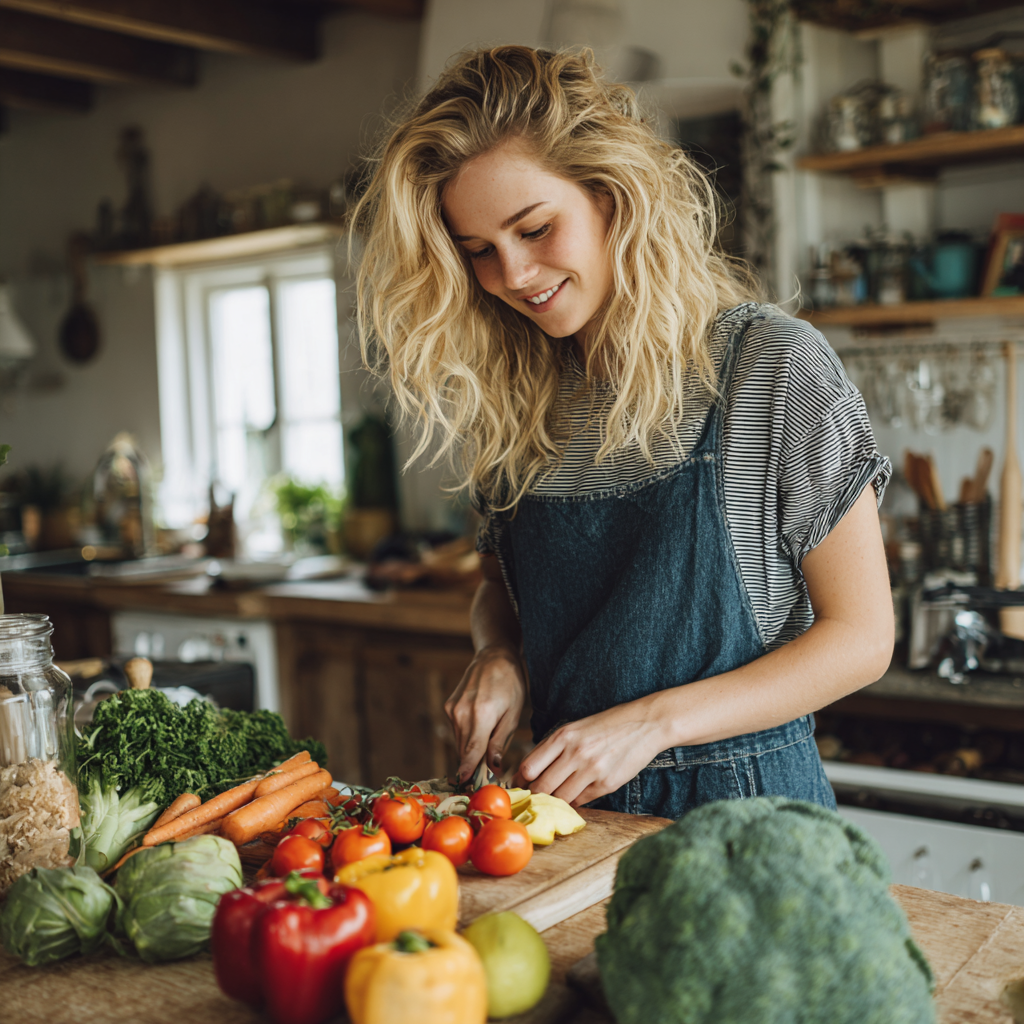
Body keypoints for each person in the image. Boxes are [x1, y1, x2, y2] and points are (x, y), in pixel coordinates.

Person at [353, 46, 893, 818]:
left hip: (748, 820)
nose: (511, 274)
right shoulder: (513, 399)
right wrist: (498, 652)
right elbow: (499, 594)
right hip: (568, 818)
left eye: (535, 228)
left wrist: (650, 725)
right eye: (478, 251)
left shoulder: (766, 366)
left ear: (614, 196)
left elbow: (863, 639)